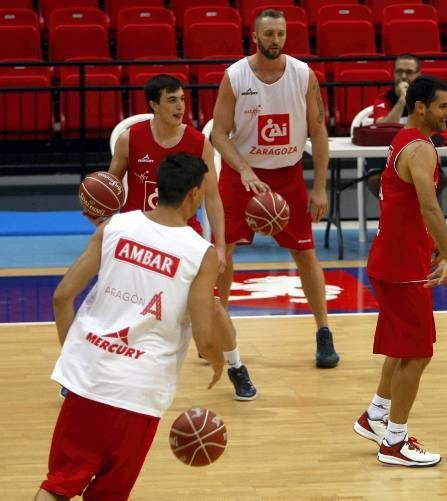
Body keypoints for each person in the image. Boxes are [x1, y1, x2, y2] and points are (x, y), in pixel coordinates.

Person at [36, 153, 225, 500]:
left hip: (90, 380)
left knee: (59, 485)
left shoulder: (115, 226)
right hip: (140, 393)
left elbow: (62, 296)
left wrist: (78, 357)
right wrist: (217, 361)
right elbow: (204, 334)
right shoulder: (201, 253)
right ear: (195, 195)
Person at [107, 74, 256, 400]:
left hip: (185, 239)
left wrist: (219, 246)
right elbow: (111, 186)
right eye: (171, 100)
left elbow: (213, 197)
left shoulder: (197, 143)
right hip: (142, 240)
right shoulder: (130, 140)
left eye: (182, 99)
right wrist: (99, 203)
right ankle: (96, 368)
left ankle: (236, 366)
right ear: (153, 105)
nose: (180, 106)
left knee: (214, 308)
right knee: (116, 308)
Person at [211, 9, 339, 368]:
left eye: (280, 34)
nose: (275, 40)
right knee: (223, 253)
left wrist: (320, 187)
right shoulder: (234, 76)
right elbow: (217, 135)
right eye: (269, 34)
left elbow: (319, 132)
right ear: (255, 37)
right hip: (241, 176)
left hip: (288, 175)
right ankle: (220, 328)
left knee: (305, 253)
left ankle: (324, 332)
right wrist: (244, 169)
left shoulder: (302, 74)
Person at [352, 76, 447, 467]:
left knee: (401, 345)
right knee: (417, 353)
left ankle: (376, 414)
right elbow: (430, 208)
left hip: (390, 259)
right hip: (402, 266)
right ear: (421, 107)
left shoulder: (406, 140)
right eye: (443, 106)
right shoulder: (419, 150)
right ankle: (394, 442)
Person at [367, 54, 446, 198]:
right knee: (375, 180)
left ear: (419, 74)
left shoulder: (429, 100)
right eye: (399, 71)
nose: (403, 76)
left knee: (439, 179)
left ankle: (424, 218)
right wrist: (403, 101)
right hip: (386, 156)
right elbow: (381, 129)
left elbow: (440, 128)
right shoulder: (383, 99)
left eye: (409, 72)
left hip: (420, 155)